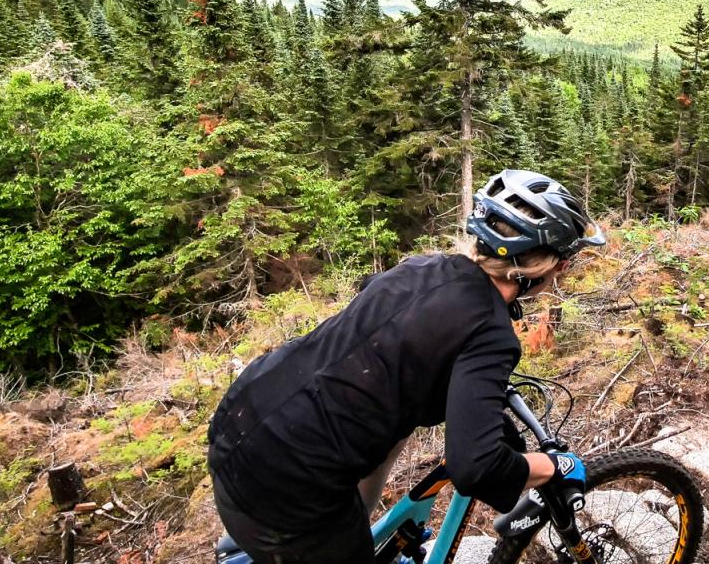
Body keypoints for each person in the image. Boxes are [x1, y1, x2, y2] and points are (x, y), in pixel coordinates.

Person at [207, 169, 606, 563]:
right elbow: (477, 467)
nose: (562, 273)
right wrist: (556, 465)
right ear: (536, 267)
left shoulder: (424, 267)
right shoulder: (491, 335)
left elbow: (391, 326)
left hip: (244, 413)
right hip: (287, 492)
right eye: (563, 263)